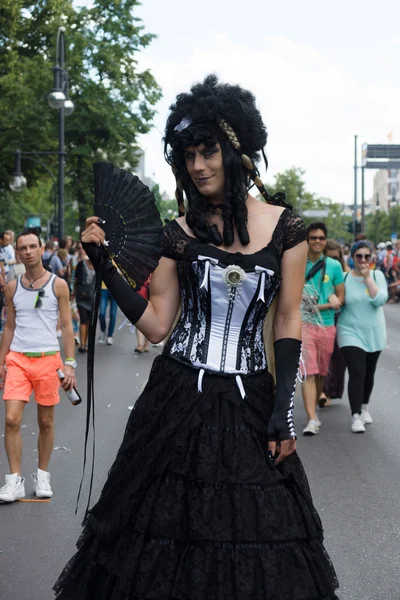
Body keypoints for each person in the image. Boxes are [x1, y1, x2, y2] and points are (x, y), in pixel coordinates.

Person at [54, 76, 338, 599]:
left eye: (209, 151)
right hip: (177, 398)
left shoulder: (287, 230)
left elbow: (288, 318)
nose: (198, 165)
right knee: (160, 533)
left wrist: (283, 413)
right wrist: (105, 266)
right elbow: (159, 325)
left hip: (250, 402)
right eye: (188, 155)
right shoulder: (177, 233)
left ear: (238, 152)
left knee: (259, 532)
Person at [0, 227, 77, 503]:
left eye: (33, 246)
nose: (28, 252)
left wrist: (69, 364)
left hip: (48, 360)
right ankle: (14, 481)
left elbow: (67, 327)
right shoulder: (12, 286)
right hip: (18, 360)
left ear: (42, 248)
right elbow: (9, 326)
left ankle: (42, 475)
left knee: (45, 422)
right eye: (23, 248)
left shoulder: (58, 285)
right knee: (11, 420)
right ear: (17, 252)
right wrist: (1, 361)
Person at [337, 240, 388, 433]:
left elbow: (380, 300)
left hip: (374, 332)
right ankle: (355, 415)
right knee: (357, 371)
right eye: (359, 256)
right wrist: (334, 298)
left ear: (373, 258)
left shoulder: (377, 275)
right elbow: (338, 299)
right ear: (352, 258)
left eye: (367, 256)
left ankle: (365, 406)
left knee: (369, 373)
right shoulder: (344, 278)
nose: (363, 260)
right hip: (349, 331)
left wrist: (368, 278)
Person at [301, 223, 345, 435]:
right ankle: (311, 418)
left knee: (320, 372)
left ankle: (314, 409)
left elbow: (341, 297)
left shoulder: (334, 266)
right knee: (308, 371)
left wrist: (331, 302)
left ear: (325, 241)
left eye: (321, 238)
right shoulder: (298, 263)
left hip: (327, 324)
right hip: (305, 323)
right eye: (313, 238)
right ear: (307, 240)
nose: (317, 241)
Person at [318, 239, 349, 408]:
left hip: (341, 318)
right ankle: (321, 390)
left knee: (338, 357)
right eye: (330, 258)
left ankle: (329, 391)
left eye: (336, 258)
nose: (333, 261)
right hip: (322, 317)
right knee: (323, 356)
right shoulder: (318, 271)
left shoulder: (345, 273)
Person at [74, 251, 96, 353]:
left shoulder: (98, 267)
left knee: (89, 322)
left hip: (93, 298)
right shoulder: (81, 264)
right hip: (81, 297)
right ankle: (83, 344)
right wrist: (73, 293)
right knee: (83, 319)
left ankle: (85, 343)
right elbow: (75, 278)